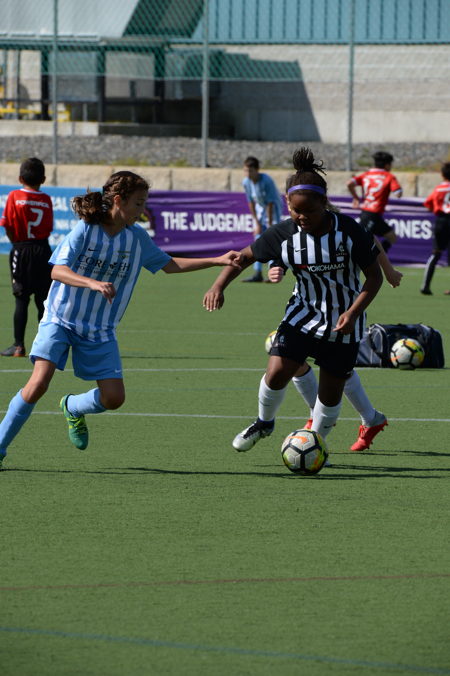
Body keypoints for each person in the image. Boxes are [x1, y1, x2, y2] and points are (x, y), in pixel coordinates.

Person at [0, 171, 242, 470]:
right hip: (60, 319)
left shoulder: (136, 238)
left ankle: (72, 406)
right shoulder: (86, 230)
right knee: (38, 384)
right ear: (118, 200)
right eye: (138, 203)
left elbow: (169, 265)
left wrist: (217, 260)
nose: (143, 209)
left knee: (114, 398)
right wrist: (92, 283)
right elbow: (57, 270)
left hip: (100, 329)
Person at [203, 147, 383, 456]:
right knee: (276, 372)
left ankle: (314, 443)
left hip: (345, 323)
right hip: (302, 315)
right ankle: (264, 422)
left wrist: (354, 312)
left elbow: (374, 277)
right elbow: (243, 258)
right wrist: (219, 285)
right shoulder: (283, 233)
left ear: (324, 204)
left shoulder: (349, 231)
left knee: (330, 396)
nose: (302, 217)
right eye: (296, 211)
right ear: (287, 204)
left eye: (309, 212)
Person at [0, 157, 53, 357]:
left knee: (21, 299)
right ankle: (45, 345)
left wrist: (16, 243)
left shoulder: (14, 196)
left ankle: (18, 346)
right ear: (44, 179)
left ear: (20, 178)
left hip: (21, 249)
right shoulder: (46, 199)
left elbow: (7, 224)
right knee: (43, 300)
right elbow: (49, 227)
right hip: (43, 250)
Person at [347, 151, 402, 253]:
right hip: (372, 214)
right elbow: (398, 193)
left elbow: (349, 183)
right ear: (387, 165)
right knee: (362, 243)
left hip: (369, 214)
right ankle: (375, 258)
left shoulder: (366, 174)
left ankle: (378, 257)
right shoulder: (389, 176)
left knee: (391, 237)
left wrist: (356, 197)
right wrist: (398, 190)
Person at [241, 156, 283, 282]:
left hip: (273, 210)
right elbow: (250, 202)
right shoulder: (246, 182)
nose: (248, 174)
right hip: (260, 209)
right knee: (258, 239)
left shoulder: (267, 181)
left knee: (271, 240)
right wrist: (257, 223)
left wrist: (270, 225)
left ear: (257, 170)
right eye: (245, 170)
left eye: (250, 171)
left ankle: (272, 270)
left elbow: (270, 203)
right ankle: (257, 273)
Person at [419, 162, 450, 295]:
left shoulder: (439, 188)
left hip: (441, 221)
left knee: (436, 253)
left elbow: (428, 204)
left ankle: (425, 286)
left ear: (442, 174)